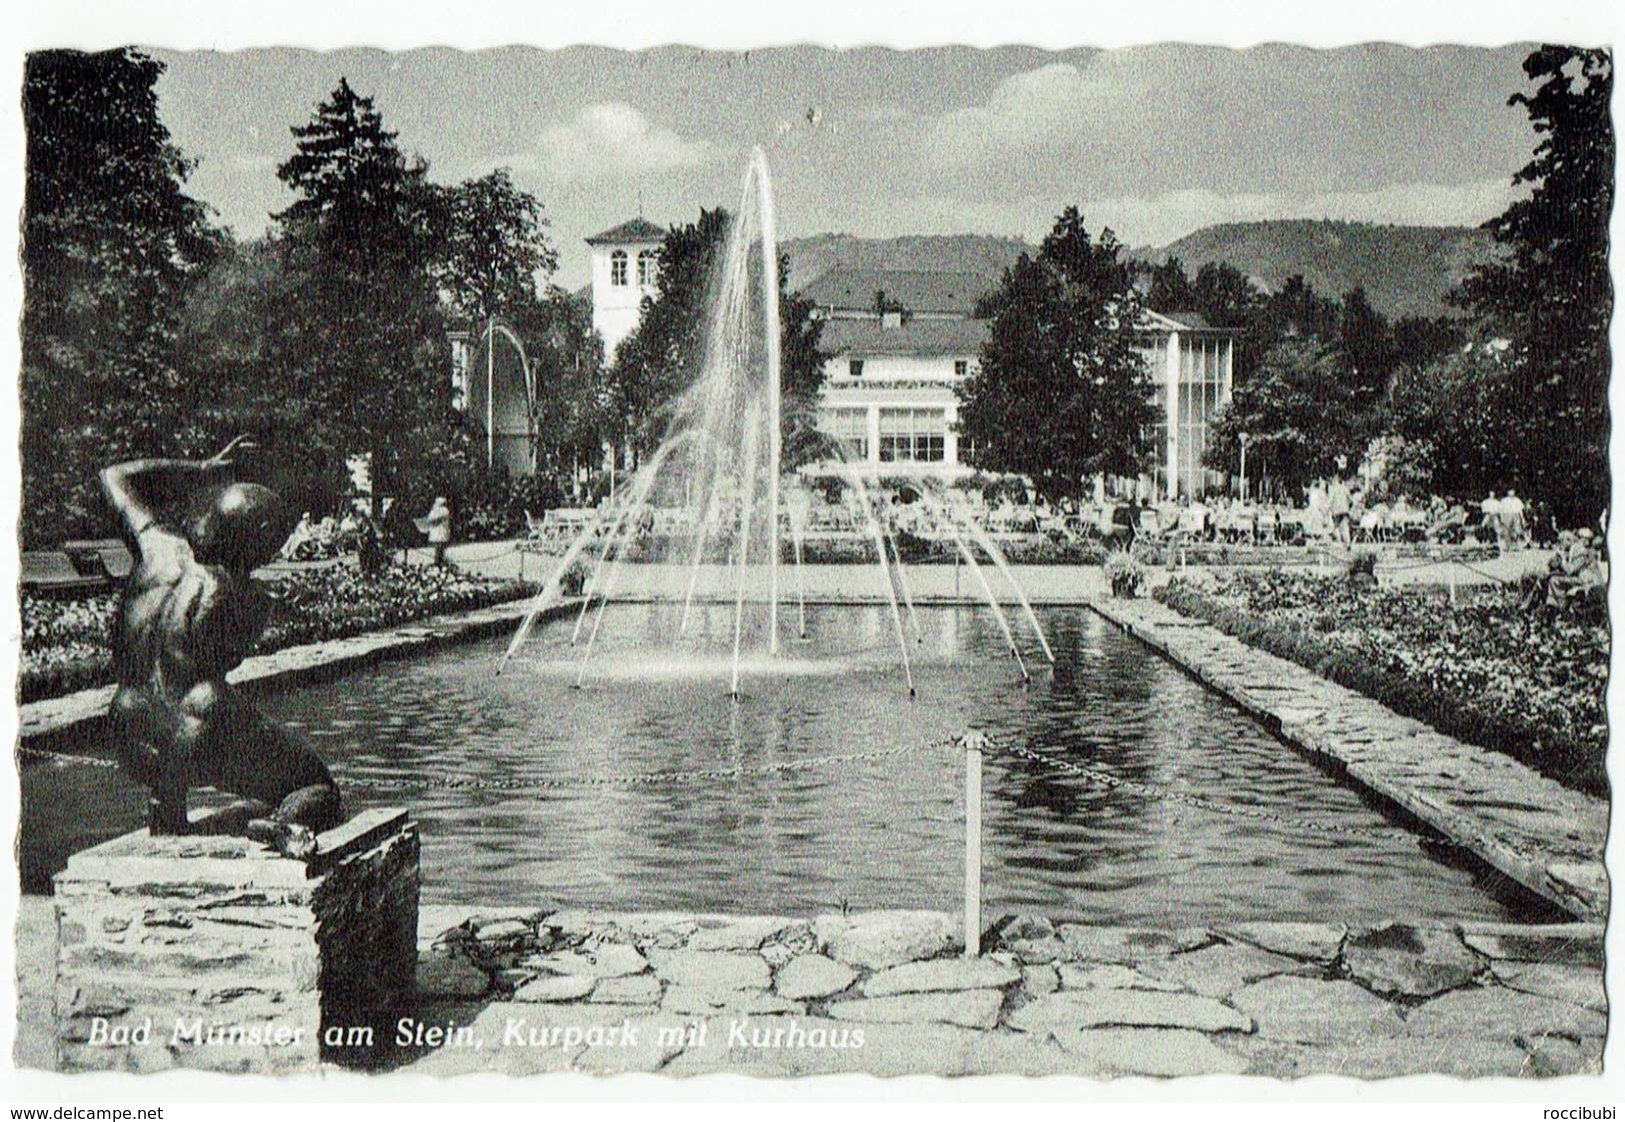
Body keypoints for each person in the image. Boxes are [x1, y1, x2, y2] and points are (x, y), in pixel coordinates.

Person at [101, 438, 341, 858]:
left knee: (179, 709)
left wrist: (202, 467)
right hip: (198, 730)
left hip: (130, 724)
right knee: (315, 783)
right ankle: (285, 826)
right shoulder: (242, 595)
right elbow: (224, 659)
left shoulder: (156, 545)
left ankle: (168, 809)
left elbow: (114, 476)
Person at [418, 495, 452, 566]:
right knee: (437, 547)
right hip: (437, 532)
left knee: (439, 547)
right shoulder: (437, 510)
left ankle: (439, 561)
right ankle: (438, 560)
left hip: (441, 532)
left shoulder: (443, 510)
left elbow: (432, 519)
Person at [1327, 475, 1352, 546]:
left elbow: (1330, 500)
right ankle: (1348, 543)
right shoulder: (1344, 488)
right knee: (1345, 528)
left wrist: (1327, 510)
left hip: (1336, 511)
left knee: (1336, 527)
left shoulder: (1332, 489)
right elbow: (1350, 499)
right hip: (1345, 510)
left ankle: (1340, 542)